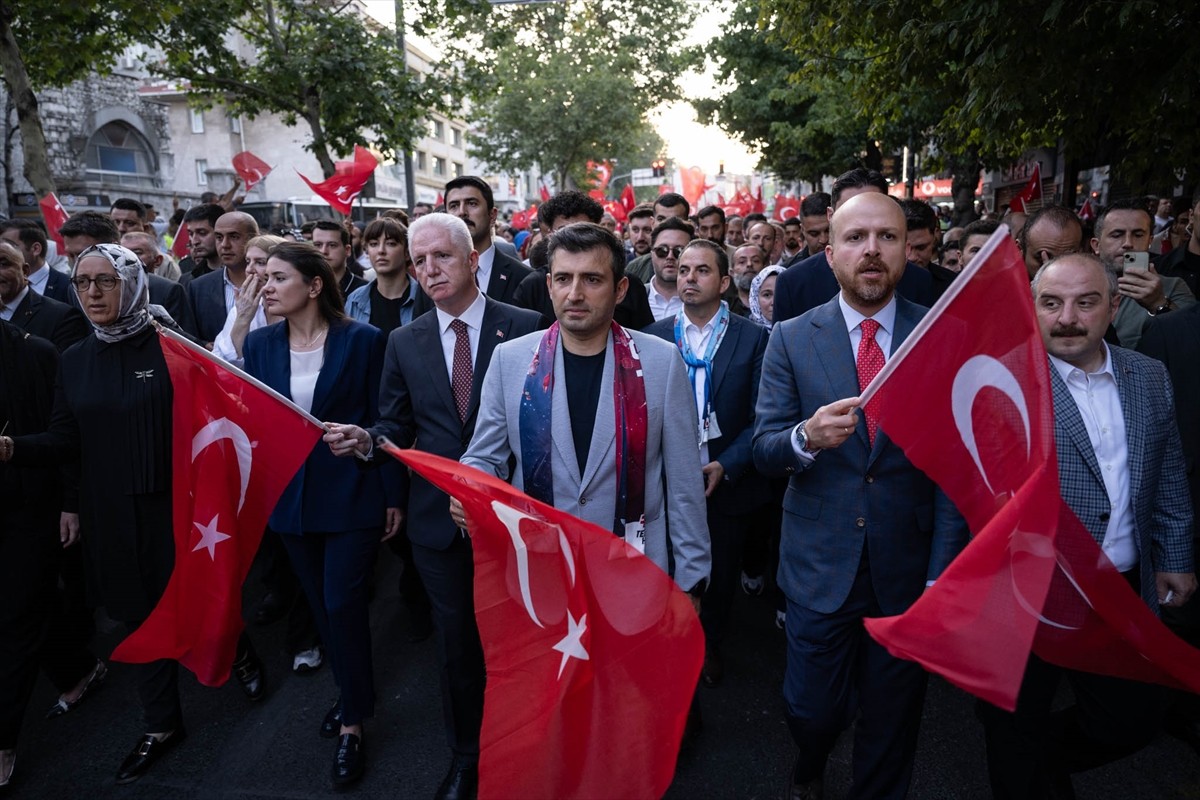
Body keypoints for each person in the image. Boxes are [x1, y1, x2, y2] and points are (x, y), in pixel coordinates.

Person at [0, 244, 266, 785]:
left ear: (133, 284)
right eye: (82, 283)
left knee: (197, 596)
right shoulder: (73, 359)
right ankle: (162, 723)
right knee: (135, 614)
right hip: (110, 512)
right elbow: (63, 438)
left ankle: (235, 645)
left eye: (105, 281)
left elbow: (222, 411)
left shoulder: (173, 344)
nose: (92, 294)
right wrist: (14, 450)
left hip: (181, 506)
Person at [752, 193, 967, 800]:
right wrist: (804, 437)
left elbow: (953, 468)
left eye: (886, 237)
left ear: (906, 249)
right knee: (811, 709)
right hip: (819, 564)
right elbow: (765, 449)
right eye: (855, 238)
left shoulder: (942, 336)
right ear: (830, 253)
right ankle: (811, 757)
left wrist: (940, 576)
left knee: (893, 721)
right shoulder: (792, 338)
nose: (871, 251)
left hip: (907, 565)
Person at [322, 213, 542, 800]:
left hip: (514, 518)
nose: (428, 270)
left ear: (474, 258)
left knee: (524, 637)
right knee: (457, 645)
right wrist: (366, 440)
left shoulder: (525, 327)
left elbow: (541, 423)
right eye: (420, 262)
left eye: (441, 256)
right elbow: (393, 424)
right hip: (436, 526)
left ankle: (528, 745)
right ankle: (467, 757)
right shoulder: (404, 340)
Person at [977, 252, 1195, 797]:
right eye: (1051, 303)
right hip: (1028, 593)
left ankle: (1037, 765)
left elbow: (1167, 471)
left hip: (1117, 588)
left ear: (1115, 307)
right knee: (1012, 723)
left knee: (1130, 718)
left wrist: (1175, 556)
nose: (1067, 317)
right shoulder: (1004, 383)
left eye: (1086, 301)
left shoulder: (1148, 376)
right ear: (1032, 308)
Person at [458, 219, 710, 611]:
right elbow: (484, 456)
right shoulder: (510, 360)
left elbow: (683, 484)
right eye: (563, 279)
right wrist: (468, 485)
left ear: (620, 289)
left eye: (592, 279)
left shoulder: (662, 362)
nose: (574, 293)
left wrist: (692, 581)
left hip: (637, 573)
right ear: (549, 286)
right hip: (540, 574)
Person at [242, 242, 401, 787]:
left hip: (353, 494)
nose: (265, 285)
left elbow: (388, 422)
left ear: (313, 285)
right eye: (264, 277)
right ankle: (351, 692)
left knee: (343, 602)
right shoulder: (260, 343)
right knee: (322, 607)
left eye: (277, 277)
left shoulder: (364, 340)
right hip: (291, 501)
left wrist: (391, 494)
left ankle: (353, 725)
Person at [646, 239, 768, 687]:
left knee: (719, 567)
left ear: (724, 281)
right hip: (666, 477)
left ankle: (709, 643)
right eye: (683, 271)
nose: (689, 279)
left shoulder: (752, 337)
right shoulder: (655, 336)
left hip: (725, 476)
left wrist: (727, 464)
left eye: (701, 271)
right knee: (669, 562)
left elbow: (764, 415)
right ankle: (669, 639)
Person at [774, 169, 936, 324]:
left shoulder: (919, 282)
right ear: (831, 215)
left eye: (873, 206)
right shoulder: (793, 284)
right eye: (852, 208)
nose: (871, 249)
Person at [445, 176, 531, 305]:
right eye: (454, 206)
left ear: (492, 215)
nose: (462, 212)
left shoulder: (524, 278)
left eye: (472, 203)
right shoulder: (434, 278)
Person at [212, 234, 287, 367]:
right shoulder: (242, 308)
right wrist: (242, 319)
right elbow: (221, 363)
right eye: (247, 262)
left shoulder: (296, 309)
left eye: (260, 262)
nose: (249, 270)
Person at [749, 264, 784, 330]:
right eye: (767, 295)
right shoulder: (745, 332)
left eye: (780, 294)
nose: (774, 302)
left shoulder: (804, 329)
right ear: (755, 299)